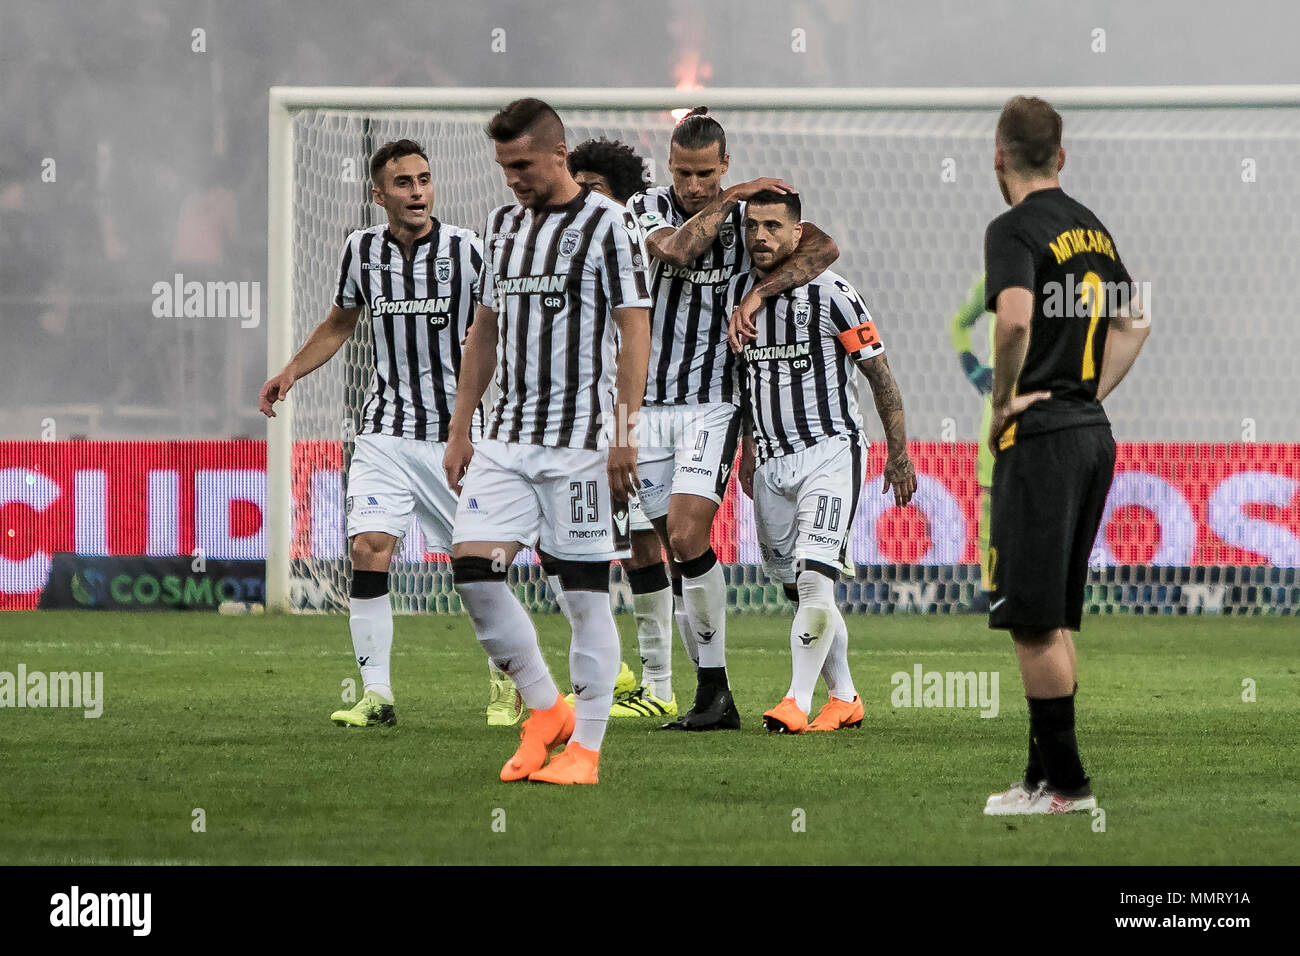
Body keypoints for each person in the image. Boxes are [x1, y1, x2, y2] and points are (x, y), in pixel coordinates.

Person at [444, 98, 652, 785]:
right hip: (506, 439)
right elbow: (485, 331)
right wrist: (461, 423)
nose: (513, 179)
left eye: (523, 165)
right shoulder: (503, 226)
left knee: (583, 596)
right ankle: (544, 706)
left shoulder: (610, 225)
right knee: (472, 569)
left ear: (558, 155)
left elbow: (633, 331)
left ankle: (585, 751)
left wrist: (625, 432)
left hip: (583, 447)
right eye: (504, 167)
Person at [258, 140, 491, 728]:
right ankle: (378, 694)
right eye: (404, 182)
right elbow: (340, 323)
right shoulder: (360, 250)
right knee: (367, 548)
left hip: (453, 435)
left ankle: (507, 681)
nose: (417, 191)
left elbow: (497, 333)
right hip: (384, 429)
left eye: (424, 180)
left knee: (479, 564)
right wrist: (291, 370)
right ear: (378, 194)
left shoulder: (467, 252)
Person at [628, 107, 840, 731]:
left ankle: (714, 691)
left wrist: (757, 293)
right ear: (670, 167)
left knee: (690, 538)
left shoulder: (750, 220)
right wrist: (734, 198)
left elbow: (823, 247)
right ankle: (712, 694)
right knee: (675, 550)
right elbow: (674, 250)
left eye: (705, 175)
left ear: (725, 165)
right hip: (648, 408)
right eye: (683, 173)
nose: (693, 186)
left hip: (713, 402)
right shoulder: (647, 207)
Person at [981, 96, 1149, 815]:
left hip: (1046, 438)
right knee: (1049, 618)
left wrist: (1005, 399)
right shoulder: (1090, 227)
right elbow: (1136, 317)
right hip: (1091, 433)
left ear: (997, 157)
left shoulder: (1014, 228)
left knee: (1030, 618)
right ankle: (1042, 780)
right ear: (1062, 156)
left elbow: (1015, 316)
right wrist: (1089, 388)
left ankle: (1071, 787)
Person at [728, 190, 916, 733]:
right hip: (769, 462)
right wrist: (747, 452)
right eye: (752, 226)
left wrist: (897, 454)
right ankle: (846, 697)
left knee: (814, 580)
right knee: (798, 589)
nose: (760, 236)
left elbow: (881, 378)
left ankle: (795, 701)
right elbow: (746, 386)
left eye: (772, 226)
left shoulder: (834, 294)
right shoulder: (740, 296)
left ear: (796, 233)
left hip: (831, 453)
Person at [950, 275, 995, 612]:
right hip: (1000, 409)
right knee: (993, 500)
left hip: (1048, 407)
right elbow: (961, 323)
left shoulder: (1062, 281)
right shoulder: (996, 278)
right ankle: (991, 588)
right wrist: (973, 365)